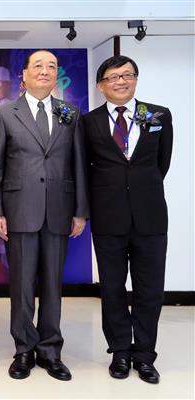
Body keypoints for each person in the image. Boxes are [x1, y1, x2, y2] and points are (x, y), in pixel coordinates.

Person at [0, 49, 88, 381]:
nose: (45, 71)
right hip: (19, 210)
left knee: (52, 285)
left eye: (51, 66)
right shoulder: (5, 113)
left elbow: (78, 164)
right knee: (21, 285)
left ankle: (50, 350)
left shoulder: (69, 113)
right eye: (38, 66)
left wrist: (80, 211)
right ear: (25, 75)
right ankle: (23, 349)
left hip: (59, 210)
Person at [83, 55, 173, 384]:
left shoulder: (158, 115)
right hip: (108, 217)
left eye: (127, 75)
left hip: (150, 216)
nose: (121, 81)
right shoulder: (88, 122)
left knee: (150, 290)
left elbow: (161, 163)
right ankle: (120, 351)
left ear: (135, 79)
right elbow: (86, 168)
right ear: (100, 85)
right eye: (113, 77)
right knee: (112, 288)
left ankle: (145, 355)